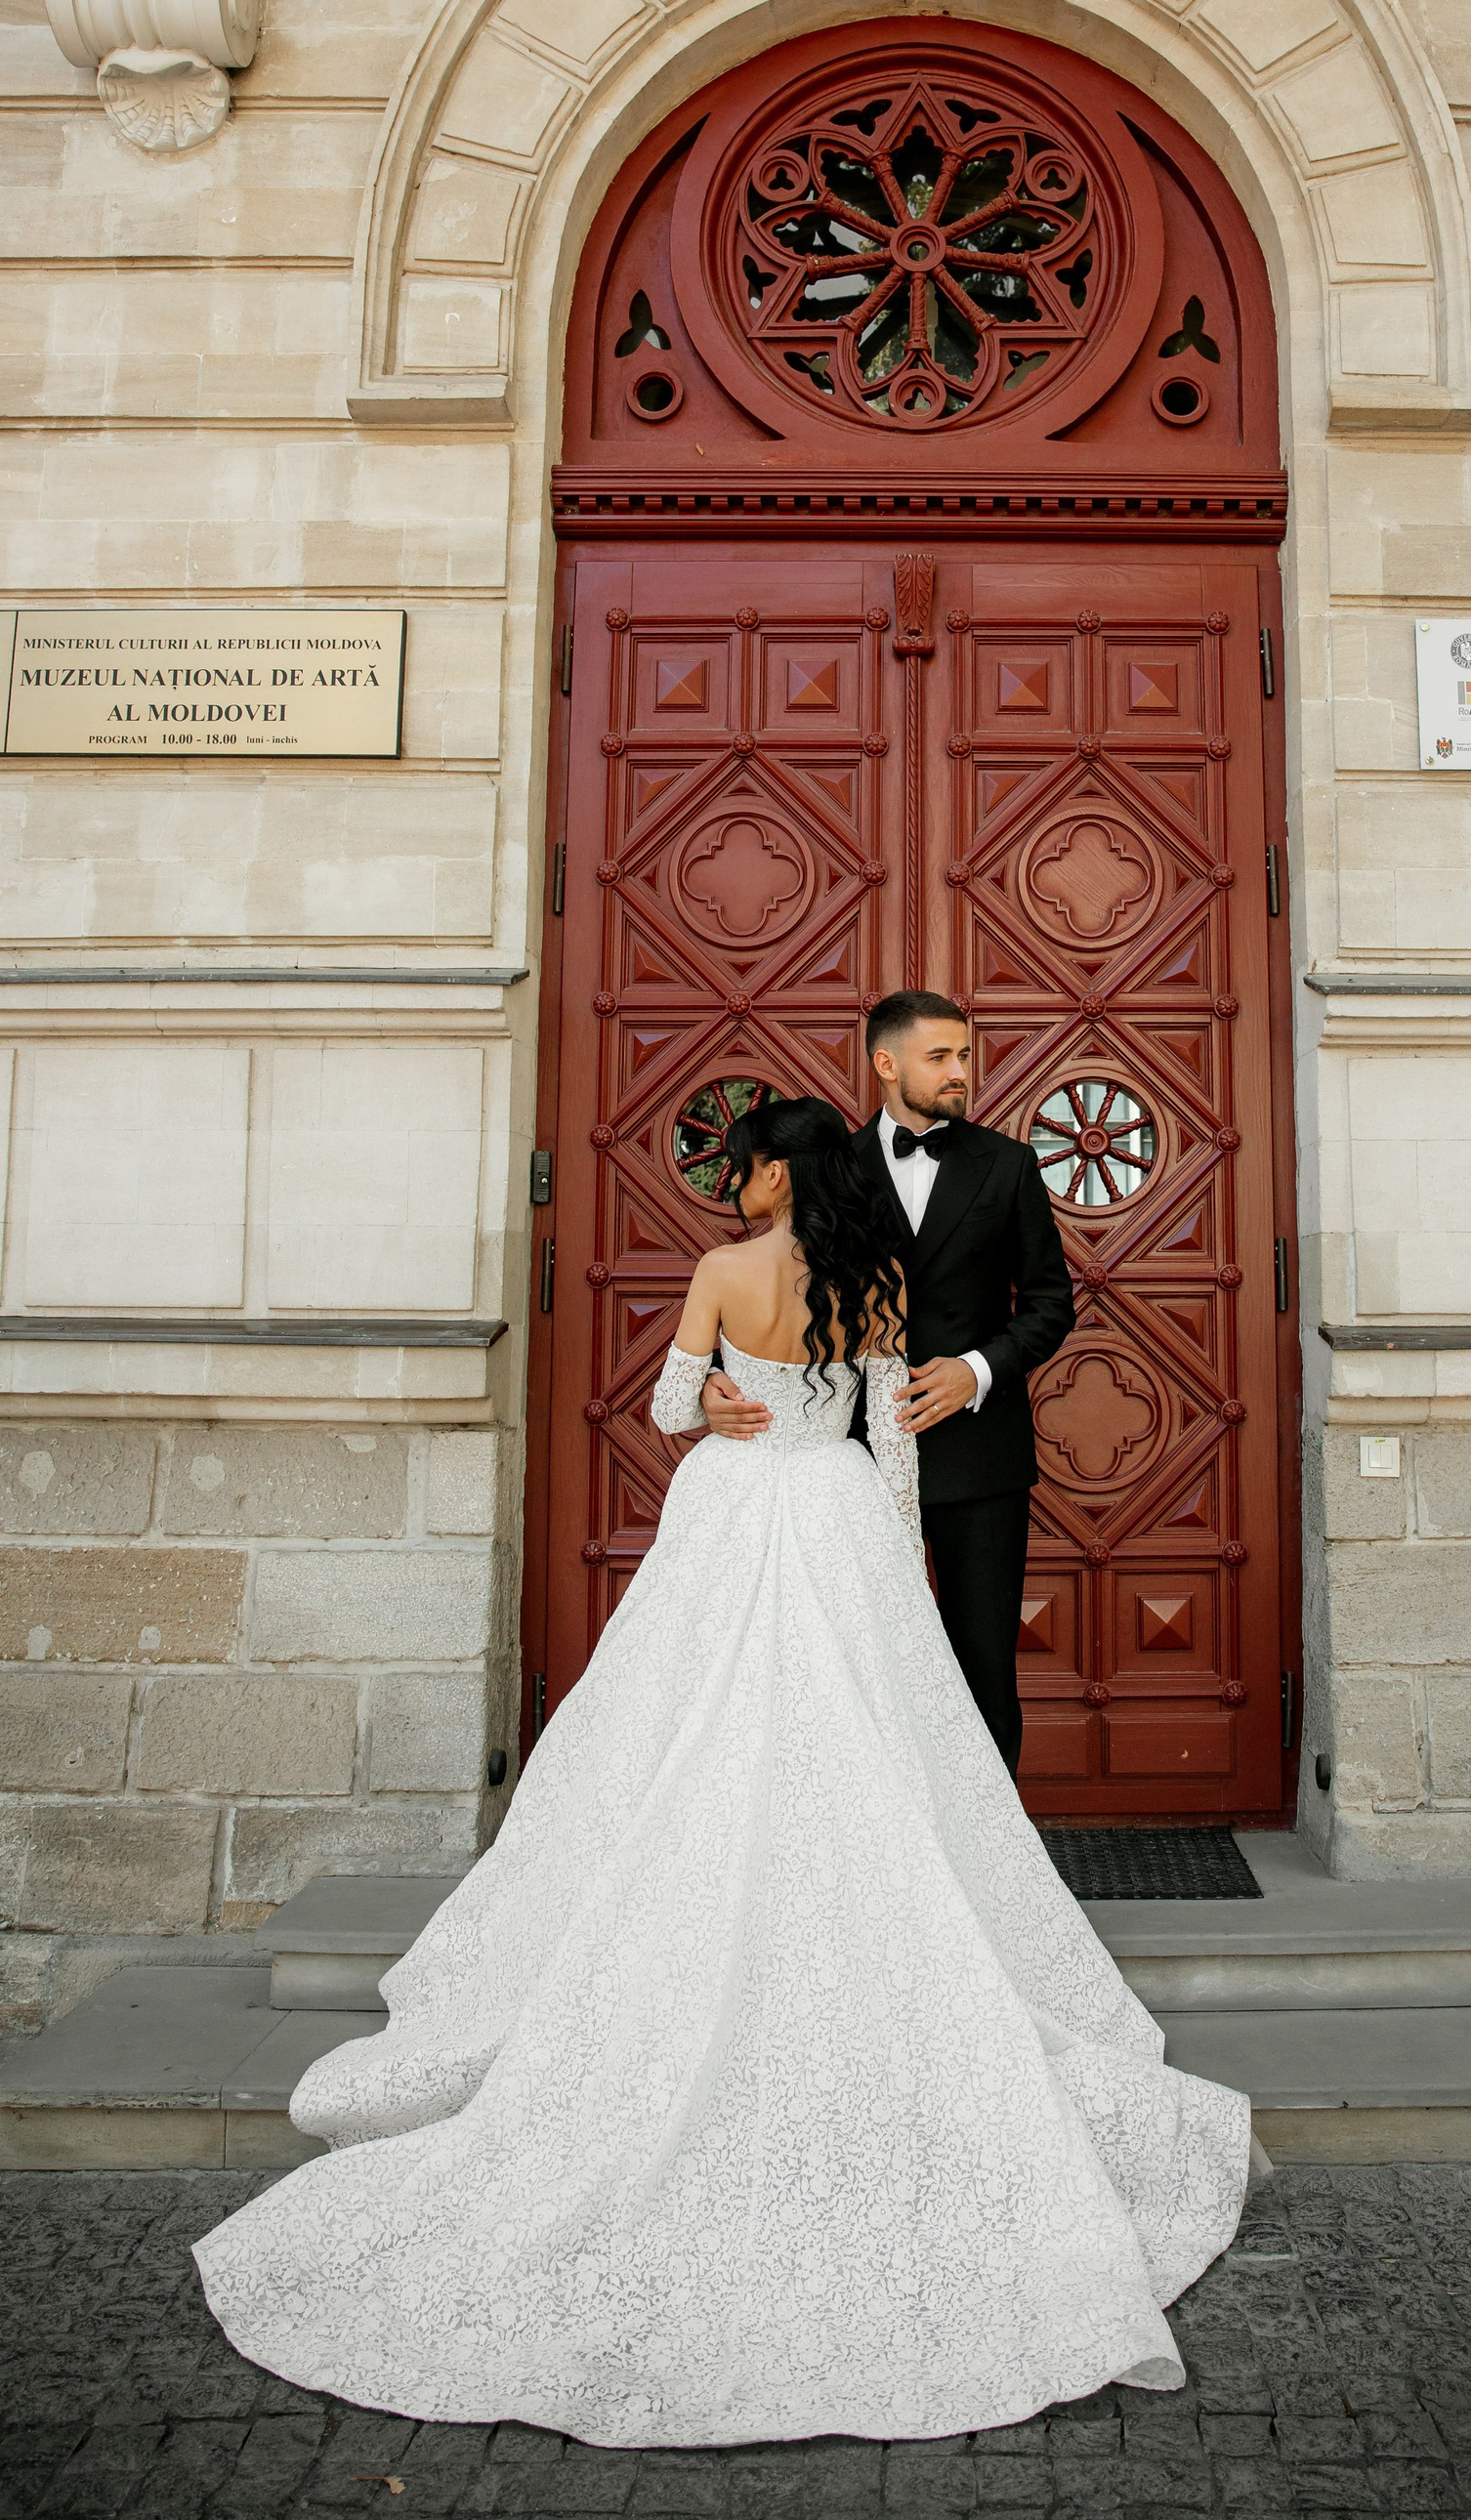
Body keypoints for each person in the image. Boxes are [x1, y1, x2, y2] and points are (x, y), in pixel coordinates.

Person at [191, 1094, 1251, 2452]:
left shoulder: (721, 1271)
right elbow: (892, 1441)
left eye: (741, 1167)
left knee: (687, 1731)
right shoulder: (877, 1277)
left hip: (740, 1512)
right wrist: (892, 1565)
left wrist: (717, 1403)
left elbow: (665, 1408)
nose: (732, 1185)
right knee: (864, 1748)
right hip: (840, 1519)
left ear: (771, 1177)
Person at [700, 992, 1074, 1777]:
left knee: (983, 1670)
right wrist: (712, 1383)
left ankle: (988, 1844)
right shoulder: (828, 1165)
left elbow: (1050, 1305)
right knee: (851, 1675)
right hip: (850, 1464)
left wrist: (976, 1370)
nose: (960, 1071)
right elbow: (768, 1285)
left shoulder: (1008, 1164)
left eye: (964, 1055)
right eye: (940, 1057)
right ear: (886, 1064)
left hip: (981, 1460)